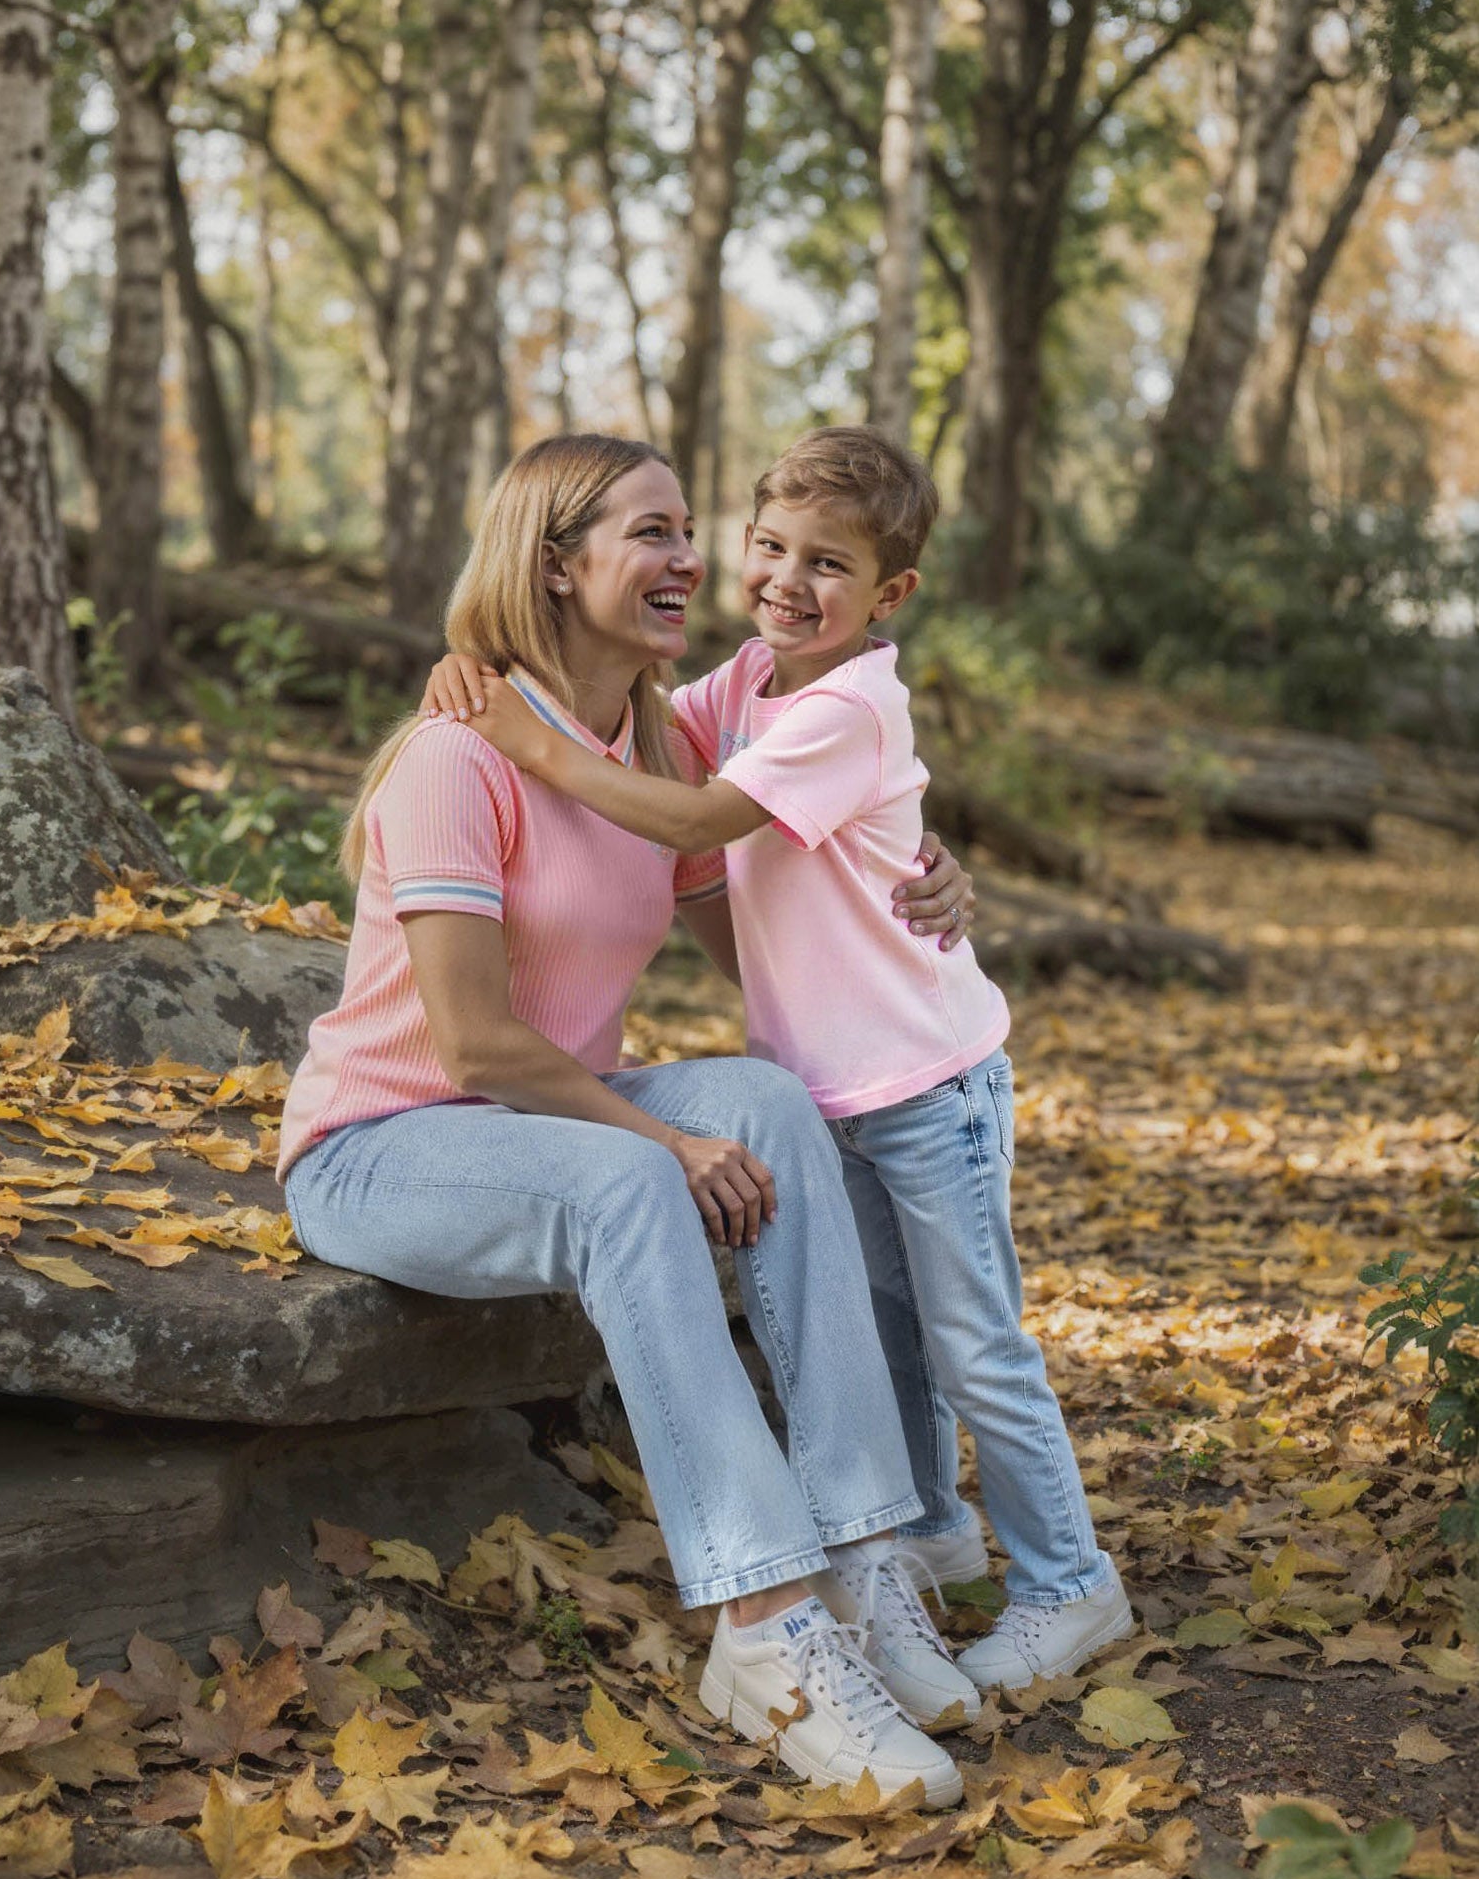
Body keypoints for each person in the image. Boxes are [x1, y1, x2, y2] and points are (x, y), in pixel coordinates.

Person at [280, 432, 988, 1806]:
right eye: (650, 534)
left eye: (685, 531)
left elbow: (755, 925)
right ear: (557, 565)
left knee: (766, 1101)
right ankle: (763, 1628)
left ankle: (858, 1559)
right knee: (634, 1188)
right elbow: (477, 1042)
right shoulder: (455, 760)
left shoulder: (664, 738)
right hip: (385, 1147)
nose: (688, 561)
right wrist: (662, 1145)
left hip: (543, 1124)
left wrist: (915, 881)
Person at [421, 425, 1135, 1689]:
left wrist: (532, 749)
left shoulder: (851, 703)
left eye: (830, 564)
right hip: (834, 1086)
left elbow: (692, 812)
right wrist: (473, 667)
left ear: (890, 596)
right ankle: (928, 1529)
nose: (785, 580)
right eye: (769, 547)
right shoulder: (747, 680)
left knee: (975, 1339)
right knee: (885, 1324)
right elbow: (627, 714)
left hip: (924, 1079)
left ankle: (1072, 1581)